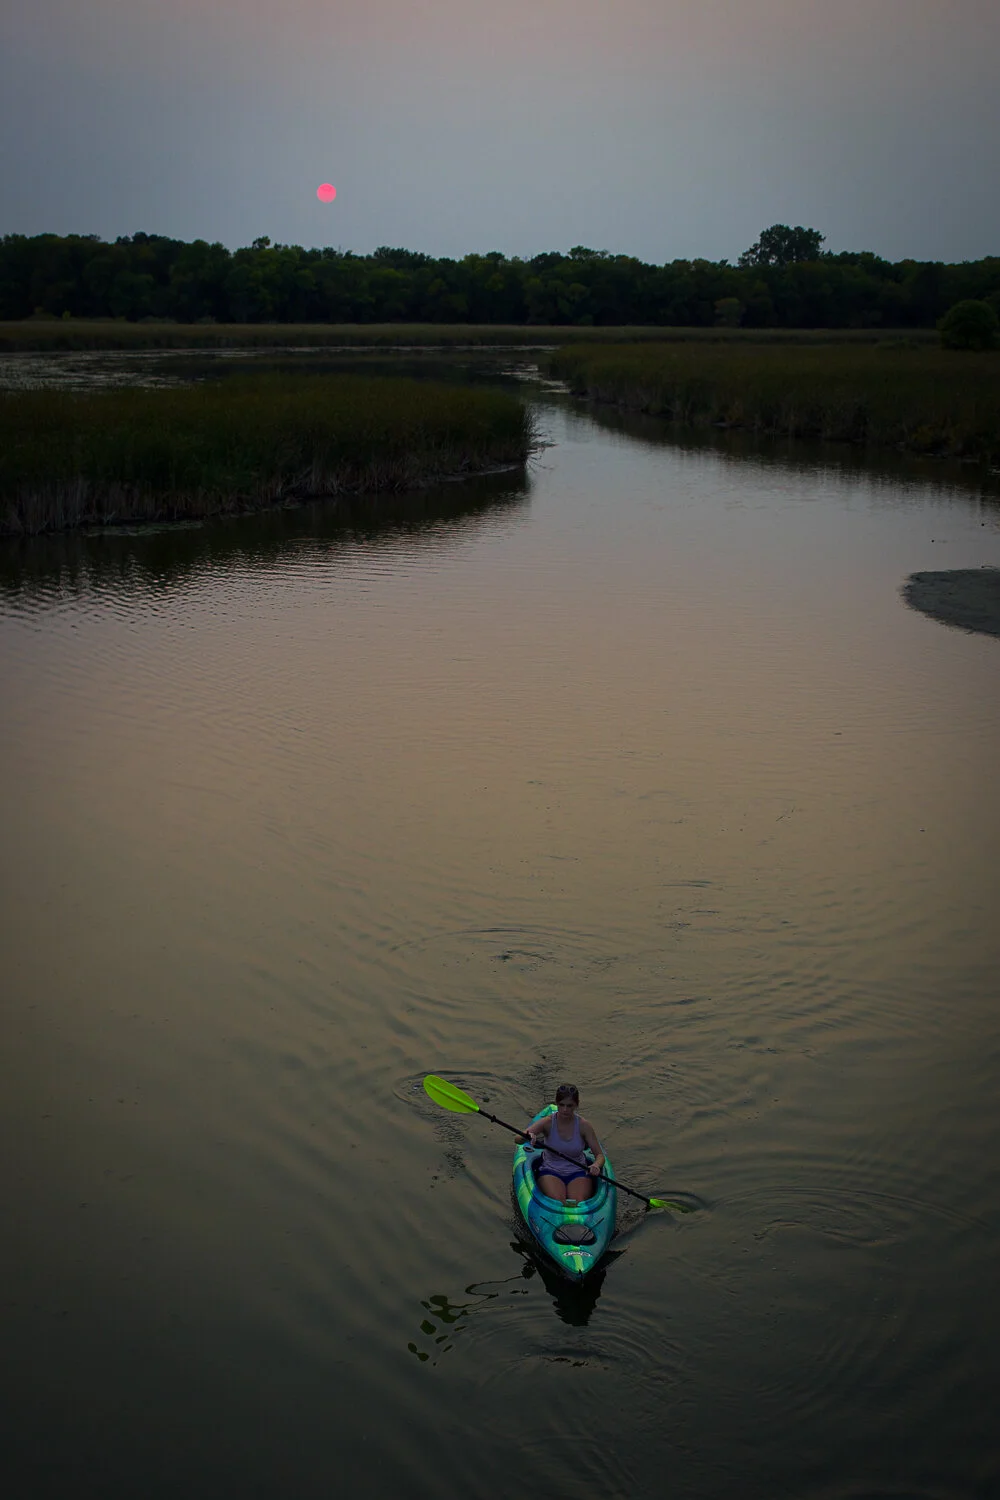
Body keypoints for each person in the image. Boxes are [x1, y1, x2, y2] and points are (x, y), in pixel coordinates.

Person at [522, 1084, 606, 1202]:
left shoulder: (584, 1126)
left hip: (578, 1171)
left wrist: (596, 1165)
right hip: (550, 1170)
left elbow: (600, 1156)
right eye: (561, 1105)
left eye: (569, 1105)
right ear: (556, 1103)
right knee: (558, 1200)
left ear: (577, 1105)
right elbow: (518, 1139)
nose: (565, 1110)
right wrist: (527, 1136)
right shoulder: (548, 1122)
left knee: (578, 1201)